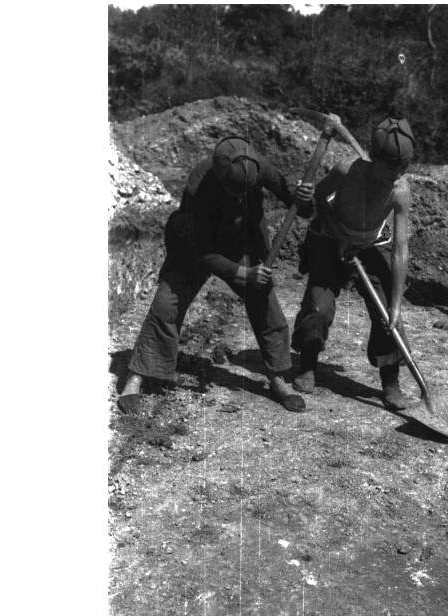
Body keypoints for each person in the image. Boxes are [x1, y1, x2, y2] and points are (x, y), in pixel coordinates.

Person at [118, 137, 314, 414]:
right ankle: (136, 377)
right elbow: (201, 251)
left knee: (265, 303)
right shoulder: (198, 186)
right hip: (197, 247)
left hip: (242, 243)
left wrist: (303, 199)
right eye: (234, 193)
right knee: (165, 304)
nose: (239, 199)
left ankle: (277, 377)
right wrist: (242, 272)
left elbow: (299, 206)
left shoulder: (258, 166)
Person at [290, 117, 419, 411]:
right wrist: (338, 234)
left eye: (404, 168)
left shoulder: (400, 191)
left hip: (372, 244)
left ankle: (391, 382)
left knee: (387, 312)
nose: (398, 174)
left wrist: (397, 305)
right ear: (373, 158)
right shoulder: (347, 170)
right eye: (392, 168)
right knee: (319, 306)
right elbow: (319, 199)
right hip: (329, 237)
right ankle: (307, 365)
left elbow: (400, 250)